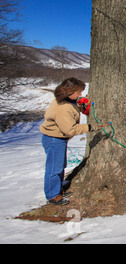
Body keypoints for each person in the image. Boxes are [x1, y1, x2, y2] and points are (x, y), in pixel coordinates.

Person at [40, 77, 107, 205]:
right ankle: (53, 195)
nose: (80, 94)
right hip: (54, 140)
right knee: (54, 168)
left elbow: (72, 109)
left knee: (60, 166)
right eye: (78, 92)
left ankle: (58, 190)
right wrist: (90, 127)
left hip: (57, 139)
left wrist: (81, 106)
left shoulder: (65, 101)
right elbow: (69, 129)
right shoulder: (63, 107)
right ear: (70, 91)